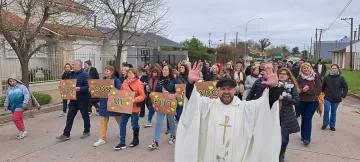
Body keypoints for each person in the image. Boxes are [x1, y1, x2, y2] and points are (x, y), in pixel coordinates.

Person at [175, 62, 281, 162]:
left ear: (235, 90)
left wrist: (273, 88)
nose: (226, 92)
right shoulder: (207, 106)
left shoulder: (245, 108)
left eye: (230, 89)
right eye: (223, 89)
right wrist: (190, 84)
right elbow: (192, 101)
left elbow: (265, 106)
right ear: (217, 91)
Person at [56, 59, 91, 141]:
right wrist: (63, 88)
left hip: (83, 99)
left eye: (74, 64)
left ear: (79, 65)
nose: (72, 66)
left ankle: (87, 130)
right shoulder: (72, 74)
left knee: (85, 115)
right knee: (69, 116)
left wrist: (80, 88)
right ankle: (66, 134)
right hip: (73, 99)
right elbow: (69, 85)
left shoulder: (85, 75)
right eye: (72, 64)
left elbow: (88, 87)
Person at [148, 65, 179, 149]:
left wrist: (170, 94)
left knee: (171, 121)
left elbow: (178, 92)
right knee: (159, 122)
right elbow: (156, 91)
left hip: (170, 104)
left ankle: (173, 135)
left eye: (166, 70)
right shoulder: (159, 80)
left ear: (169, 71)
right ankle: (156, 141)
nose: (164, 71)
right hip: (161, 103)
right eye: (163, 70)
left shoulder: (174, 81)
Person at [115, 68, 146, 150]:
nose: (129, 74)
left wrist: (135, 99)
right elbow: (121, 92)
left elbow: (143, 96)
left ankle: (135, 140)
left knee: (134, 124)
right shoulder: (125, 82)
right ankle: (122, 142)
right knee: (122, 123)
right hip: (125, 107)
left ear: (135, 74)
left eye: (131, 73)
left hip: (134, 108)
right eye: (128, 73)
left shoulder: (139, 83)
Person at [93, 65, 122, 147]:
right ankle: (102, 138)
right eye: (105, 70)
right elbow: (98, 91)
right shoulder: (102, 81)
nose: (105, 72)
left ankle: (122, 132)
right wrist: (94, 91)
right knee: (103, 120)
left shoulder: (116, 80)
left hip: (113, 103)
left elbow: (120, 90)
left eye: (107, 71)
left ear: (112, 72)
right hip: (104, 103)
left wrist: (113, 89)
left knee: (119, 119)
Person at [277, 68, 300, 162]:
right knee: (273, 135)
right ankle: (273, 152)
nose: (282, 75)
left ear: (288, 76)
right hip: (273, 114)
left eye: (285, 74)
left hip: (286, 114)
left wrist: (284, 98)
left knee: (284, 136)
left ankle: (282, 153)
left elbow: (296, 100)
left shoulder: (291, 86)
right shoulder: (273, 85)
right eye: (280, 73)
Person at [297, 63, 322, 145]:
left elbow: (318, 90)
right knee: (303, 118)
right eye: (304, 68)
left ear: (311, 68)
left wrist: (307, 90)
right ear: (301, 69)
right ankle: (303, 135)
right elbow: (296, 90)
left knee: (308, 118)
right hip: (301, 101)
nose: (306, 69)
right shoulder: (299, 78)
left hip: (312, 101)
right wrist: (302, 90)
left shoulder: (316, 77)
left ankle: (307, 138)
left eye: (308, 67)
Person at [321, 64, 348, 131]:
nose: (333, 69)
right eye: (332, 68)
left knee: (333, 112)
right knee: (326, 110)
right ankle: (325, 124)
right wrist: (321, 94)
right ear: (331, 69)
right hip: (327, 97)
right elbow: (322, 87)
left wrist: (343, 95)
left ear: (338, 69)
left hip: (337, 98)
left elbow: (345, 87)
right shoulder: (326, 78)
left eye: (335, 68)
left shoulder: (341, 78)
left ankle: (332, 125)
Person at [3, 74, 31, 139]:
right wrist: (6, 105)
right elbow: (7, 97)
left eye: (13, 81)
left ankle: (23, 130)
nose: (12, 83)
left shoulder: (22, 87)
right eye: (10, 81)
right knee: (19, 118)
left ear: (16, 81)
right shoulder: (9, 88)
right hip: (13, 106)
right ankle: (22, 130)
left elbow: (26, 94)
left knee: (15, 118)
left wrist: (25, 103)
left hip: (20, 105)